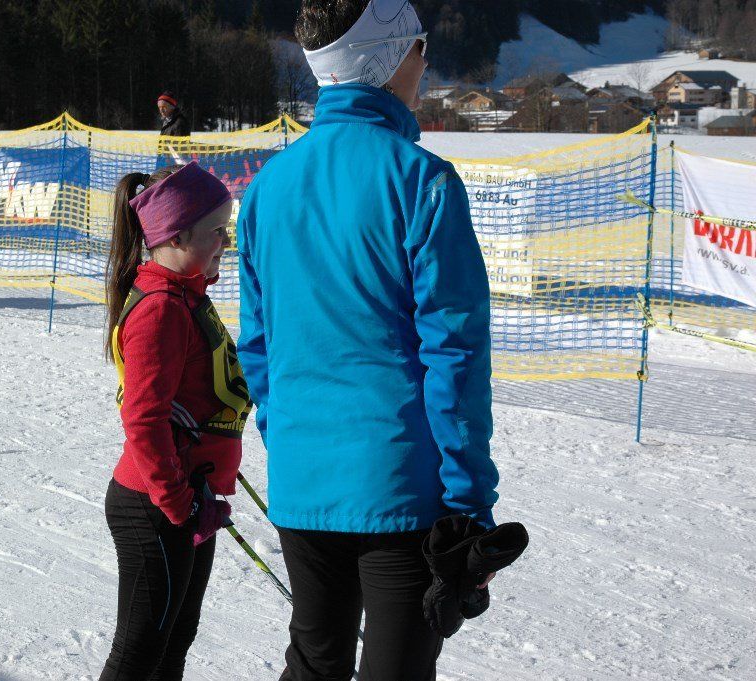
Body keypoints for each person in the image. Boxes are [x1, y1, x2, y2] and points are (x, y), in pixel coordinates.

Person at [235, 1, 501, 679]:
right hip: (399, 489)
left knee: (315, 662)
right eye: (417, 45)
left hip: (303, 479)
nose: (425, 61)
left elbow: (258, 348)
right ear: (386, 58)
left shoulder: (267, 188)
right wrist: (468, 500)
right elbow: (455, 356)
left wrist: (290, 439)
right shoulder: (422, 181)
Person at [100, 161, 251, 680]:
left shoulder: (187, 296)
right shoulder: (161, 307)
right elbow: (143, 419)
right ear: (177, 234)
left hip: (187, 496)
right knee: (138, 654)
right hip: (155, 503)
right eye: (216, 231)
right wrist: (178, 503)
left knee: (173, 643)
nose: (225, 242)